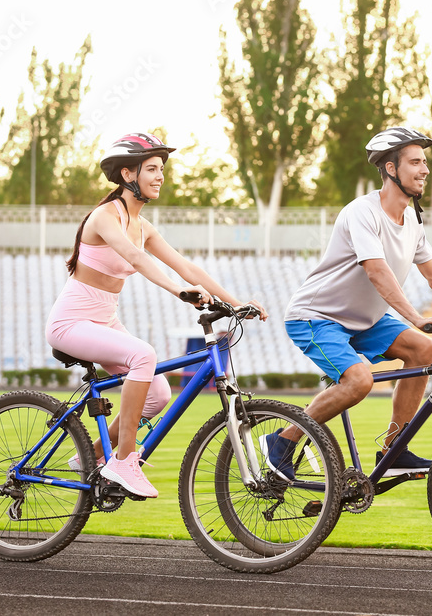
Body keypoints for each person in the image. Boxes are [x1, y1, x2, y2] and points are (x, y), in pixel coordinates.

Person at [263, 126, 432, 480]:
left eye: (425, 162)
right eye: (415, 162)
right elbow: (376, 271)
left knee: (422, 349)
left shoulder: (412, 222)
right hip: (316, 317)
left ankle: (395, 447)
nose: (424, 170)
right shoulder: (363, 212)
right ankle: (281, 441)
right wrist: (416, 317)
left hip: (365, 320)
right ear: (391, 169)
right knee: (359, 382)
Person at [45, 132, 267, 498]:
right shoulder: (105, 216)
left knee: (158, 394)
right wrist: (178, 291)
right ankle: (124, 460)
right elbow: (136, 259)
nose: (160, 176)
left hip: (104, 320)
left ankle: (92, 455)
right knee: (144, 355)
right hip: (71, 322)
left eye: (161, 169)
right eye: (151, 169)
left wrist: (235, 302)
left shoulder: (144, 227)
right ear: (128, 174)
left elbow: (186, 266)